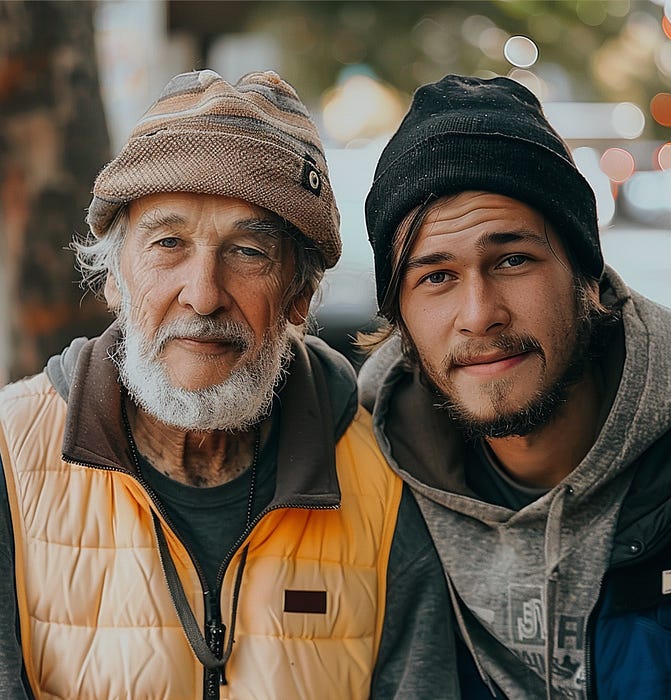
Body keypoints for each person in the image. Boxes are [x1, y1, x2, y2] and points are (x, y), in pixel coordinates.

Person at [0, 69, 469, 700]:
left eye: (249, 252)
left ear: (299, 294)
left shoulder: (386, 475)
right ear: (113, 278)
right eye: (167, 243)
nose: (203, 294)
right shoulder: (11, 455)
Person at [358, 74, 671, 699]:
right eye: (435, 276)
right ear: (399, 320)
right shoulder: (366, 479)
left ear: (587, 276)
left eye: (512, 259)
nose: (480, 312)